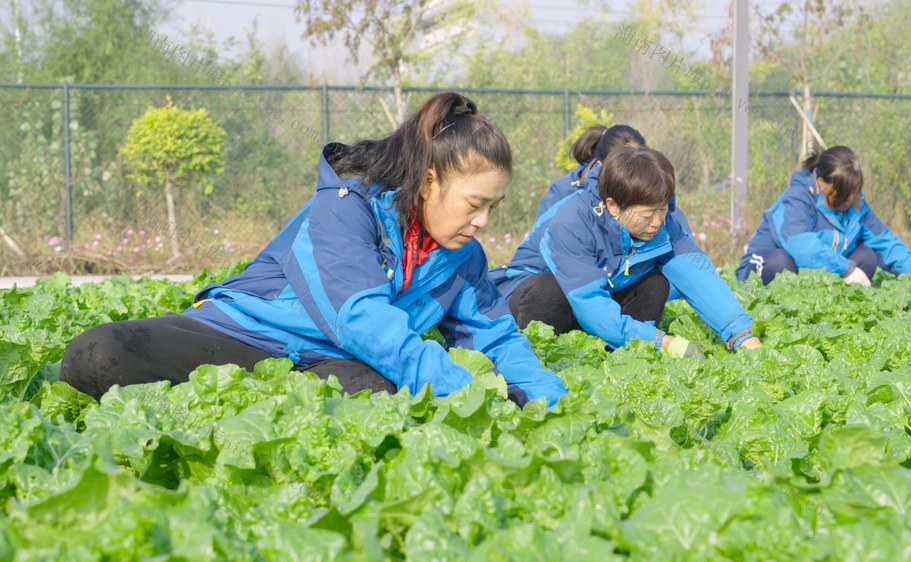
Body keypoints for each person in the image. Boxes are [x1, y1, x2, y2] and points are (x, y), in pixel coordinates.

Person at [60, 92, 568, 409]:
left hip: (329, 361)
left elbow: (497, 338)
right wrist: (468, 390)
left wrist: (546, 398)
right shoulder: (347, 207)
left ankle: (252, 407)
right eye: (475, 204)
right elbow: (362, 320)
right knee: (96, 355)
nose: (482, 222)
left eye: (492, 208)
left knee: (386, 400)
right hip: (241, 334)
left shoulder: (464, 258)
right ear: (430, 180)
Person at [488, 146, 762, 358]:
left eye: (663, 209)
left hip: (596, 302)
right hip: (531, 299)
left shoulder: (662, 221)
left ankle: (618, 357)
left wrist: (741, 335)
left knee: (654, 282)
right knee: (550, 291)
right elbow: (589, 302)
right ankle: (546, 358)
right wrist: (661, 342)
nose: (657, 222)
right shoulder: (570, 221)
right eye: (647, 215)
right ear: (613, 206)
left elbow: (697, 272)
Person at [736, 146, 911, 286]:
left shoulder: (855, 203)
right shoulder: (797, 198)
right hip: (767, 264)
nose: (849, 200)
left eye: (854, 192)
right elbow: (803, 248)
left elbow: (884, 241)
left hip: (818, 273)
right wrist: (847, 270)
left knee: (866, 256)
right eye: (843, 193)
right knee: (779, 265)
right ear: (821, 182)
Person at [535, 125, 693, 234]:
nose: (634, 172)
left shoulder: (657, 204)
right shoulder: (563, 195)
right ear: (600, 165)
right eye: (623, 165)